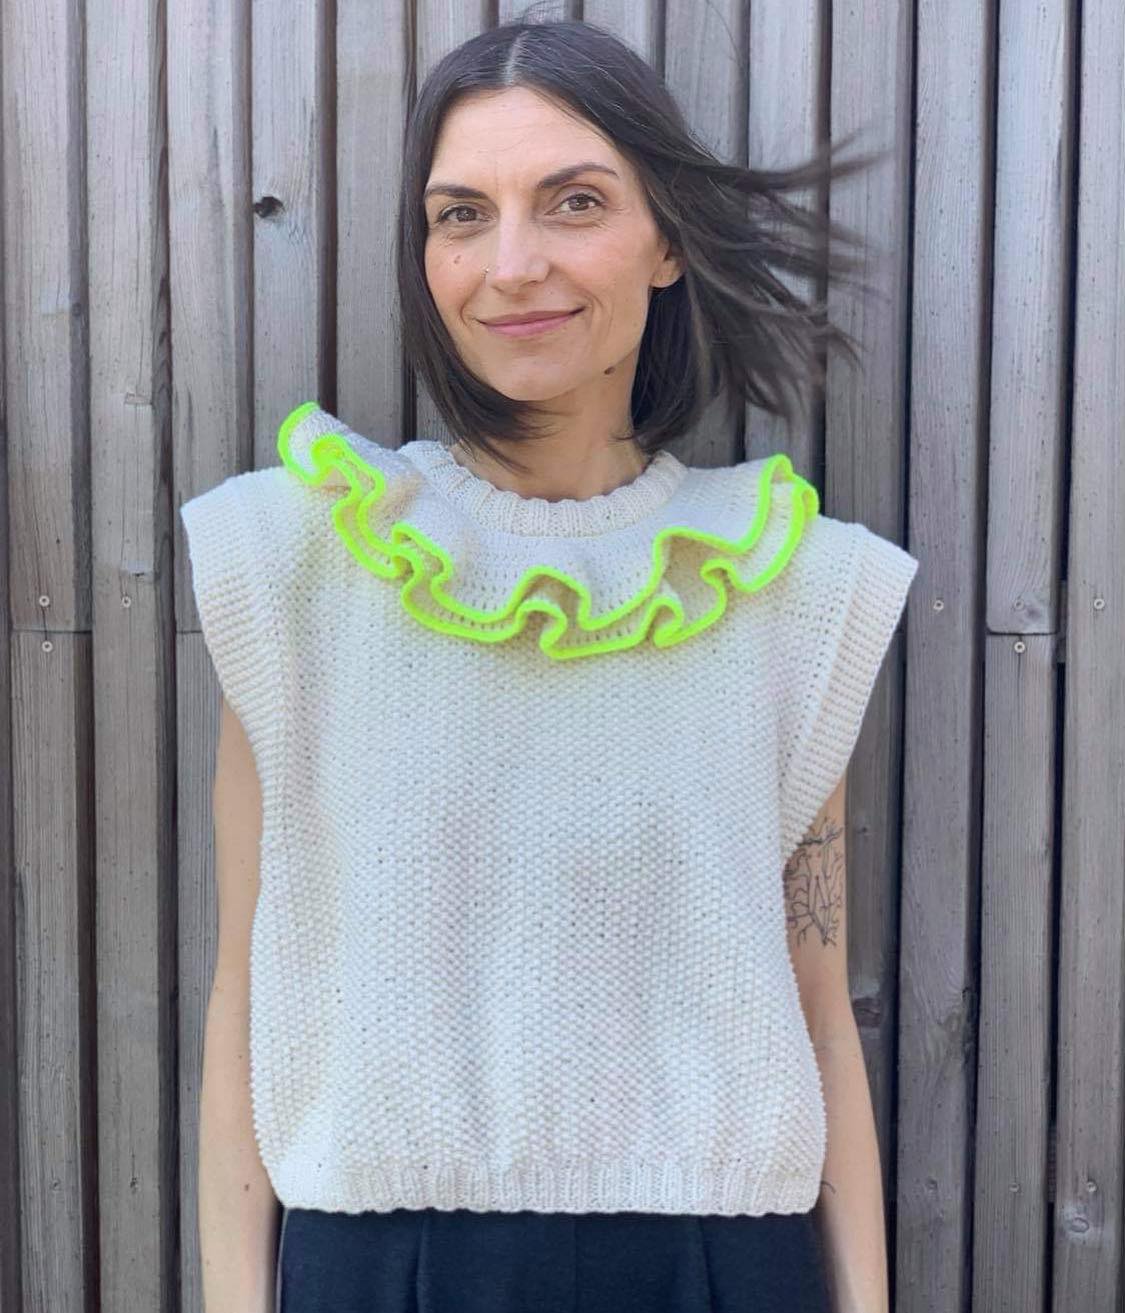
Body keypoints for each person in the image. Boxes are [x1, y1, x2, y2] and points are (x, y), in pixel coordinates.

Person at [182, 18, 919, 1313]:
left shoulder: (786, 588)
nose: (511, 263)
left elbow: (814, 1003)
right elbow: (246, 988)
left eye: (574, 202)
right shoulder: (301, 561)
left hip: (719, 1264)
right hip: (382, 1264)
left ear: (667, 240)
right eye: (460, 215)